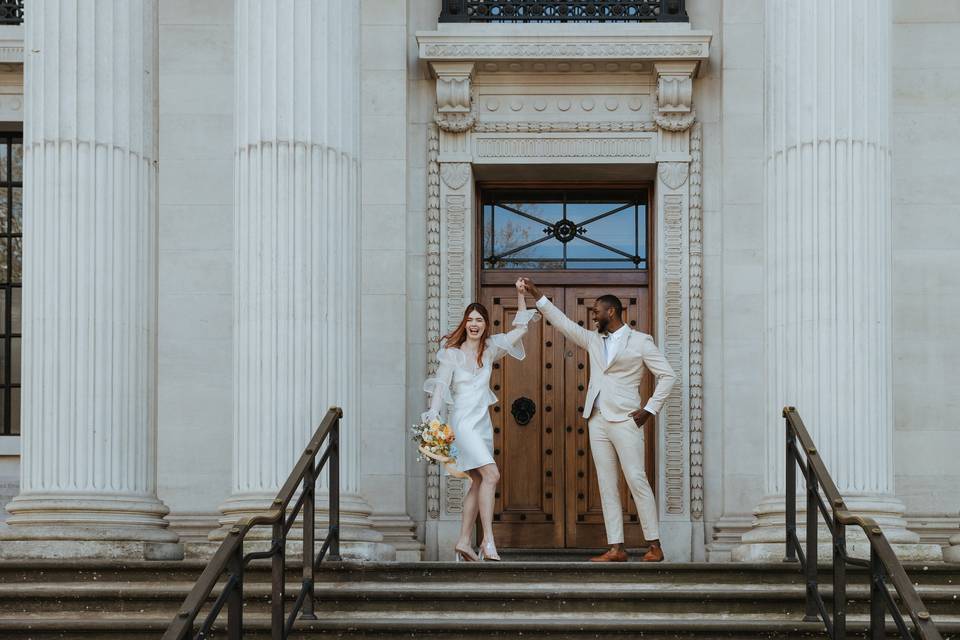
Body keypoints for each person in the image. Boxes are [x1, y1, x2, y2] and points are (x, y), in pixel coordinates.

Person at [520, 277, 676, 562]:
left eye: (596, 312)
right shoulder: (593, 340)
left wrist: (649, 409)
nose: (593, 316)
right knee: (606, 484)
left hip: (627, 419)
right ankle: (616, 547)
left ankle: (654, 545)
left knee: (636, 479)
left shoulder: (640, 342)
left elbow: (668, 375)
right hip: (597, 419)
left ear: (611, 312)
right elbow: (563, 324)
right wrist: (536, 294)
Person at [423, 279, 538, 562]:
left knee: (477, 480)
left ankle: (463, 541)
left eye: (479, 320)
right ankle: (487, 540)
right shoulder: (451, 353)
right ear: (465, 323)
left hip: (482, 423)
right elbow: (440, 388)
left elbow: (521, 328)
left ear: (486, 324)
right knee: (492, 475)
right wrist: (432, 422)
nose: (474, 324)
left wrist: (520, 295)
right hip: (462, 423)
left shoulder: (490, 349)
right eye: (470, 319)